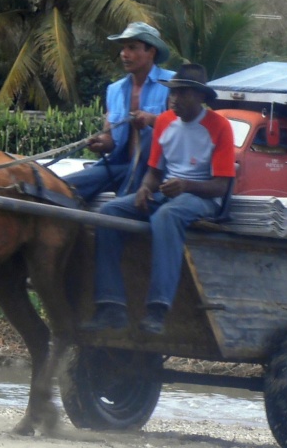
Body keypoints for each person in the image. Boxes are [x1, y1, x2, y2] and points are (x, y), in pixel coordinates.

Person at [81, 63, 236, 336]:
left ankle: (157, 309)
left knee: (167, 216)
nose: (174, 99)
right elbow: (154, 172)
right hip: (169, 192)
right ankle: (111, 305)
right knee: (108, 213)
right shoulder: (164, 122)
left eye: (182, 94)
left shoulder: (219, 126)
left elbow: (221, 186)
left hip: (202, 198)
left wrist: (186, 184)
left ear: (199, 97)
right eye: (172, 93)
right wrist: (144, 188)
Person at [63, 22, 175, 202]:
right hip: (119, 166)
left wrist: (153, 120)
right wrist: (99, 142)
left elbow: (185, 127)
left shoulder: (172, 83)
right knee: (63, 187)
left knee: (121, 202)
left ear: (151, 52)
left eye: (132, 47)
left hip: (156, 172)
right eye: (123, 48)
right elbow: (110, 140)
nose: (124, 54)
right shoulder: (115, 90)